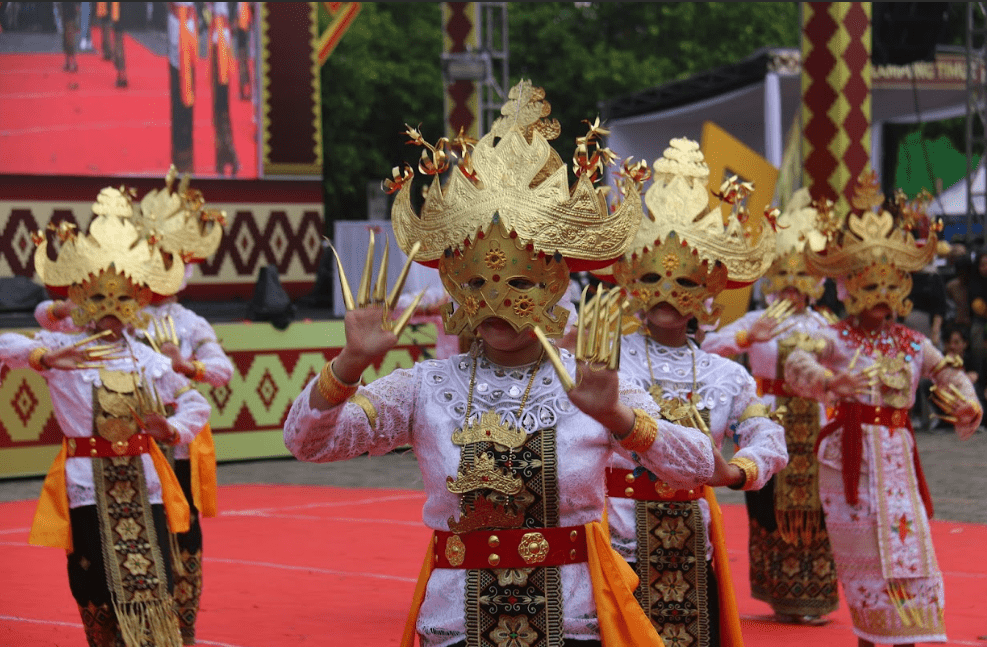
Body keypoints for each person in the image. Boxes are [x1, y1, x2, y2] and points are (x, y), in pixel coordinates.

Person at [284, 81, 724, 647]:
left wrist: (617, 416)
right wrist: (348, 364)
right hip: (455, 627)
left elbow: (697, 469)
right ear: (451, 286)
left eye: (518, 282)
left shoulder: (592, 384)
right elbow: (308, 443)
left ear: (555, 287)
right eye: (475, 284)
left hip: (573, 624)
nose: (495, 302)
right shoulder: (425, 388)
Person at [598, 140, 788, 646]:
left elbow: (768, 435)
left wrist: (736, 471)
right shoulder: (605, 357)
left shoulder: (726, 374)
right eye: (654, 275)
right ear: (633, 279)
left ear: (707, 292)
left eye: (683, 278)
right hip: (616, 537)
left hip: (692, 536)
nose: (667, 290)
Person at [784, 174, 983, 647]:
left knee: (912, 553)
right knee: (866, 565)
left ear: (901, 287)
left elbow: (949, 373)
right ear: (849, 286)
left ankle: (906, 638)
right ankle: (872, 638)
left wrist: (969, 404)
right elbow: (796, 359)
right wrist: (831, 381)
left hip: (898, 460)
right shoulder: (835, 336)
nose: (880, 295)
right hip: (849, 463)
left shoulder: (913, 342)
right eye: (868, 282)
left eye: (889, 283)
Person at [1, 201, 211, 647]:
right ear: (81, 301)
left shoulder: (149, 357)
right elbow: (4, 344)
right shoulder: (63, 350)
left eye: (122, 299)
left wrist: (171, 430)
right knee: (93, 582)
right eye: (98, 297)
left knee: (154, 580)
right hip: (86, 482)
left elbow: (195, 402)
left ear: (137, 303)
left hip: (145, 481)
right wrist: (44, 357)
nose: (111, 308)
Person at [702, 188, 840, 625]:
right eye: (785, 276)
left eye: (802, 277)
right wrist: (747, 338)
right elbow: (706, 347)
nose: (794, 288)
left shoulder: (826, 325)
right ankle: (780, 592)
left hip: (816, 427)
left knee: (820, 508)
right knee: (770, 505)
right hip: (773, 423)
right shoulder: (759, 322)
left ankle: (815, 595)